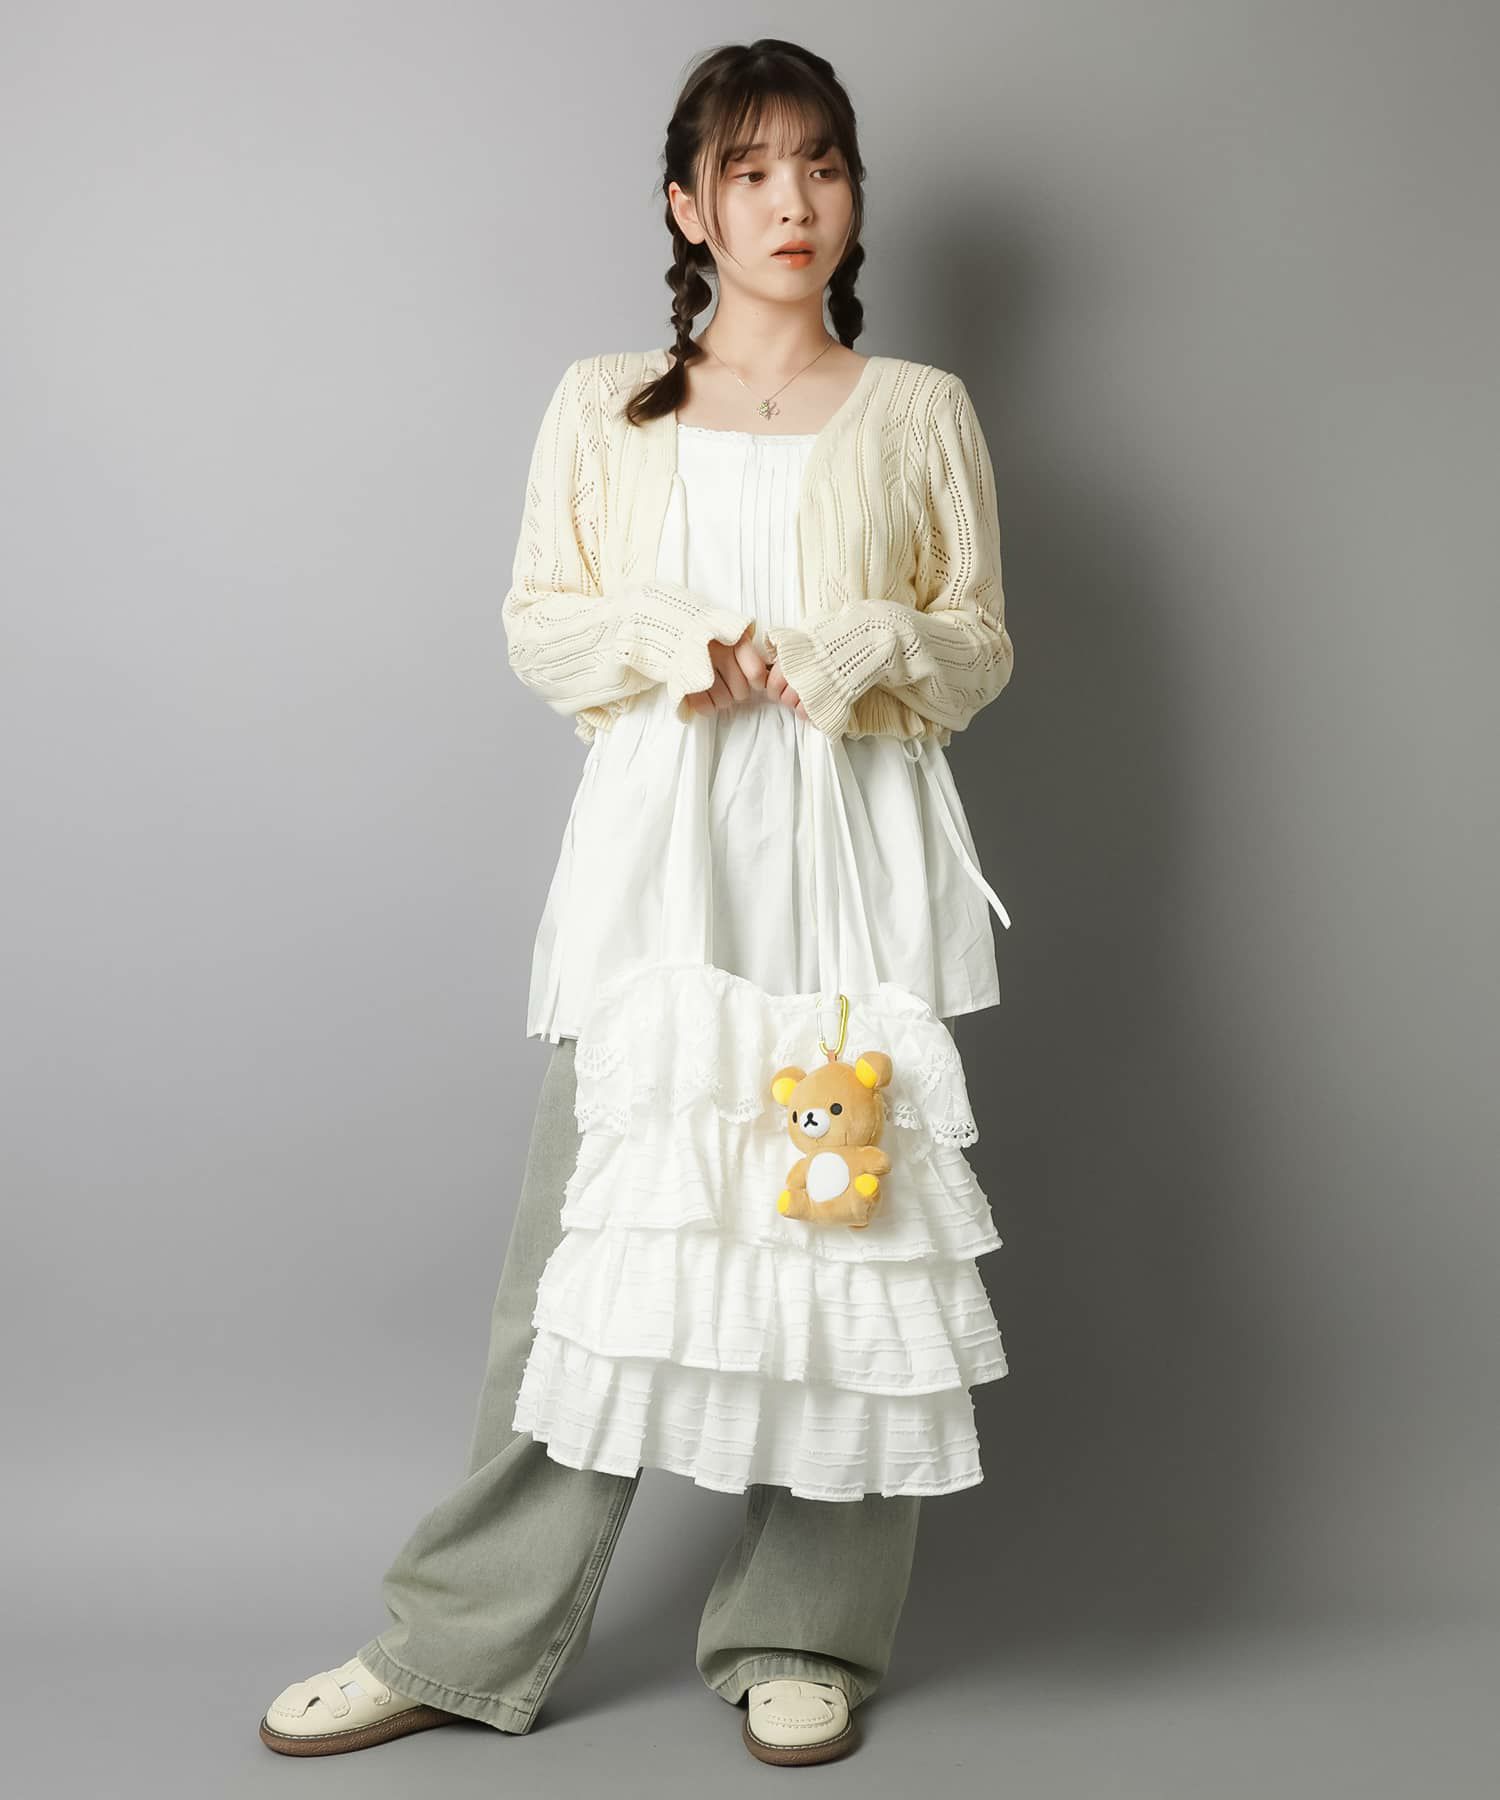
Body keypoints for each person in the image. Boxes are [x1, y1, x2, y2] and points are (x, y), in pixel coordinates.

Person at [259, 36, 1014, 1769]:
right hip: (660, 854)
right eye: (750, 171)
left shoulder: (920, 412)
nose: (792, 201)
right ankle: (463, 1636)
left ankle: (806, 1633)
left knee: (847, 1230)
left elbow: (974, 646)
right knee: (584, 1256)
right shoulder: (606, 401)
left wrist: (843, 650)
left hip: (849, 855)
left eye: (821, 164)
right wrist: (690, 642)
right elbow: (544, 622)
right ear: (688, 206)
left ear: (853, 194)